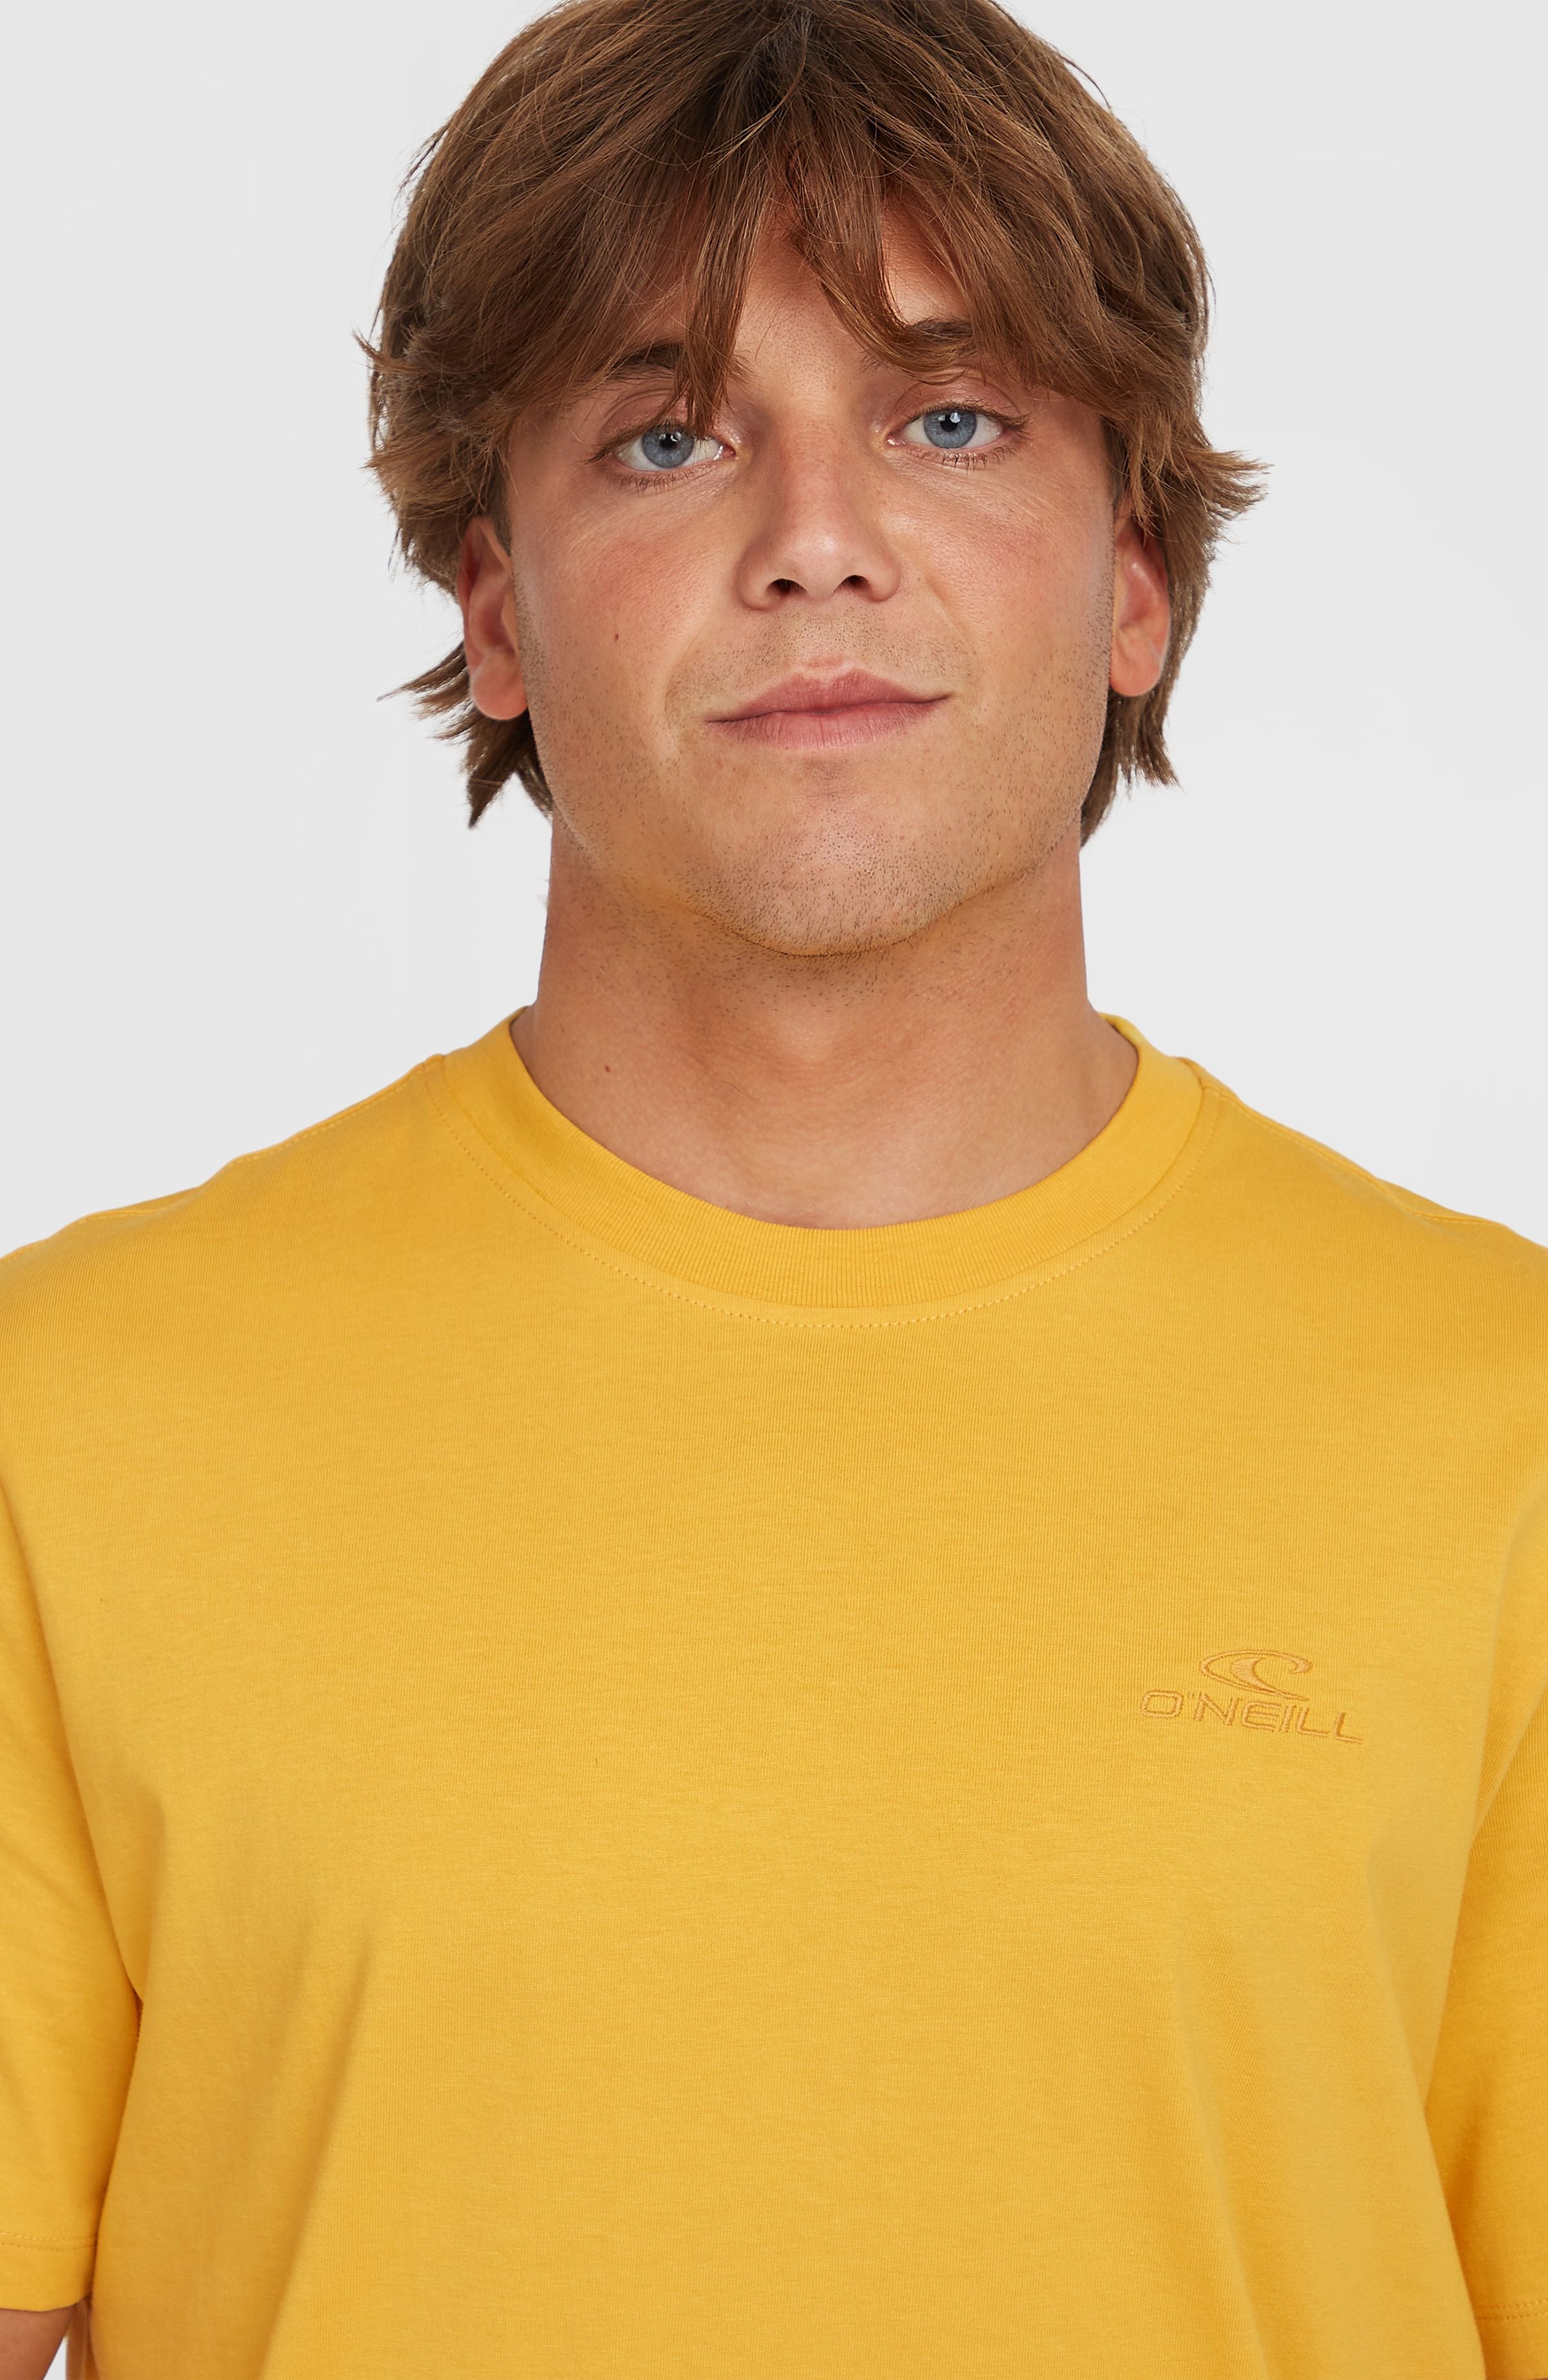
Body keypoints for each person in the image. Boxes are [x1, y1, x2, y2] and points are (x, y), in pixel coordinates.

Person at [1, 0, 1543, 2372]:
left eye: (949, 419)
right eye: (668, 437)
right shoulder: (67, 1426)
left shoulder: (1505, 1426)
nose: (815, 543)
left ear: (1133, 573)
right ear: (496, 607)